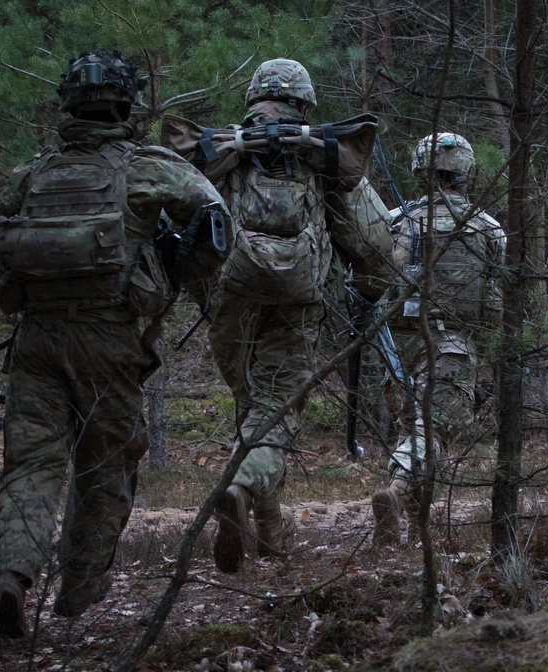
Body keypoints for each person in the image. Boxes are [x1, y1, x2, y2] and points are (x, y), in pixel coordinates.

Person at [0, 49, 232, 640]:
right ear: (127, 105)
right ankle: (77, 594)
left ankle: (13, 572)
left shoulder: (31, 174)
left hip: (37, 341)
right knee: (106, 464)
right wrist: (174, 274)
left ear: (66, 105)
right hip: (110, 340)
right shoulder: (149, 167)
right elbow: (218, 226)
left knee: (31, 464)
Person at [192, 58, 392, 572]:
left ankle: (270, 529)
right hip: (298, 300)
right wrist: (368, 287)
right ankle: (239, 485)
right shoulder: (323, 158)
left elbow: (182, 230)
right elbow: (371, 244)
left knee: (253, 405)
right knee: (275, 410)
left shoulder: (221, 152)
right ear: (305, 102)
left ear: (254, 99)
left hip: (232, 298)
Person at [371, 132, 506, 546]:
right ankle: (396, 493)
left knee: (412, 429)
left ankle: (414, 528)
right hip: (451, 343)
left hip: (397, 345)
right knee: (434, 432)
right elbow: (497, 301)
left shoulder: (395, 221)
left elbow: (372, 281)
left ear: (418, 169)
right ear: (466, 170)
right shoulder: (487, 229)